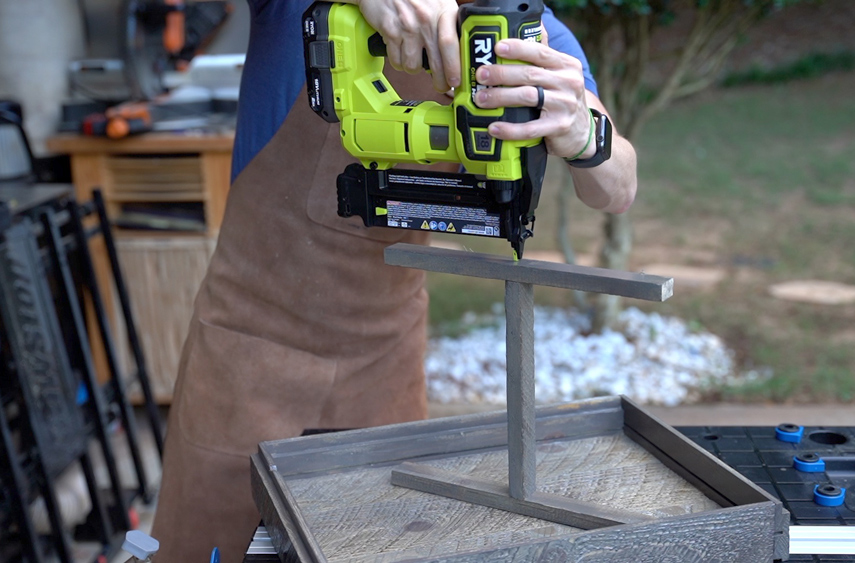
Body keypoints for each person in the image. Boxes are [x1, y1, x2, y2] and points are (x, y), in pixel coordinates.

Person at [150, 0, 637, 560]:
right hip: (249, 362)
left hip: (387, 362)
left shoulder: (527, 29)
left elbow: (618, 187)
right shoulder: (290, 11)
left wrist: (585, 132)